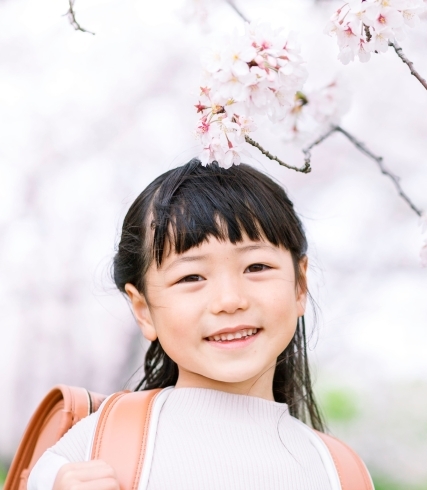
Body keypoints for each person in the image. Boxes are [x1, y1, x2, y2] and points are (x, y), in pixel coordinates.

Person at [27, 159, 352, 490]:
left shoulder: (339, 471)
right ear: (144, 310)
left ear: (299, 285)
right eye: (191, 276)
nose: (229, 300)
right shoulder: (91, 450)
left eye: (256, 267)